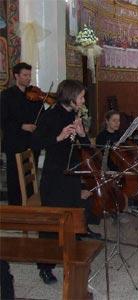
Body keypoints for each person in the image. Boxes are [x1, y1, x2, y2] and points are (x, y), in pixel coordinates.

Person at [31, 80, 93, 284]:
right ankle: (45, 266)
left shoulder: (74, 115)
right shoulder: (50, 115)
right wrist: (58, 138)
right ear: (71, 97)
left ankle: (72, 261)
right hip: (54, 176)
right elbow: (36, 143)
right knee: (51, 224)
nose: (83, 101)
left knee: (74, 218)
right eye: (81, 97)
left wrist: (82, 134)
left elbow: (85, 148)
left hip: (72, 175)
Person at [0, 62, 42, 205]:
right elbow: (3, 120)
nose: (28, 78)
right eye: (25, 75)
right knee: (15, 177)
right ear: (16, 76)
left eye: (29, 75)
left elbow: (41, 116)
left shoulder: (35, 95)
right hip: (15, 142)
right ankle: (16, 207)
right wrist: (22, 126)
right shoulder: (6, 95)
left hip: (32, 142)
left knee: (31, 176)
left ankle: (29, 204)